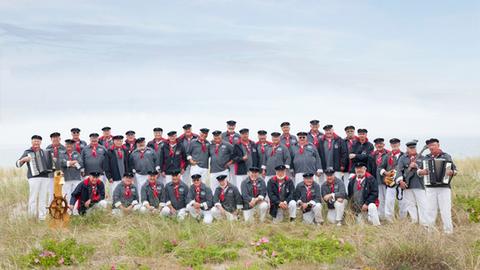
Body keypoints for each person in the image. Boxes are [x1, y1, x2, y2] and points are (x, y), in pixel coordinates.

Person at [417, 138, 457, 234]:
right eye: (429, 146)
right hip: (430, 188)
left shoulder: (446, 156)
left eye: (433, 145)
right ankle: (431, 232)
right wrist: (421, 172)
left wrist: (452, 172)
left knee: (445, 211)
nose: (431, 147)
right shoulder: (426, 157)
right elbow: (419, 171)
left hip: (444, 187)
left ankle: (448, 232)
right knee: (430, 210)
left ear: (438, 145)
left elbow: (455, 170)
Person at [16, 135, 51, 220]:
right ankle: (32, 217)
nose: (36, 142)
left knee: (43, 197)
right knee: (33, 197)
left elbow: (50, 164)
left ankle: (42, 217)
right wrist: (23, 160)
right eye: (35, 141)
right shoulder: (28, 152)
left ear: (40, 142)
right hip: (34, 177)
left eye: (38, 141)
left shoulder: (44, 152)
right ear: (32, 142)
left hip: (45, 177)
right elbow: (17, 164)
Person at [395, 140, 428, 225]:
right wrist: (400, 181)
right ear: (407, 148)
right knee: (410, 204)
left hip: (418, 184)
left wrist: (416, 166)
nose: (412, 149)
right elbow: (399, 170)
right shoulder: (403, 158)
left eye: (414, 148)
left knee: (422, 204)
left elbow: (426, 171)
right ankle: (414, 221)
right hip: (407, 184)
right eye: (410, 148)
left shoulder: (422, 158)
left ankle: (424, 223)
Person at [378, 138, 404, 222]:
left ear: (399, 144)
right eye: (392, 143)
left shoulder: (404, 155)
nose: (394, 145)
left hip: (401, 182)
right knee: (389, 201)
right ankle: (389, 220)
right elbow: (380, 167)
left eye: (396, 143)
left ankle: (402, 219)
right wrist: (386, 173)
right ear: (390, 145)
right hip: (390, 181)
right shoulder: (387, 156)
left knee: (402, 202)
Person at [60, 139, 82, 212]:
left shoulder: (77, 154)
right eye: (67, 144)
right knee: (66, 195)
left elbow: (80, 165)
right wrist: (73, 162)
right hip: (66, 178)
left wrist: (68, 164)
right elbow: (61, 163)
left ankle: (75, 211)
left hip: (76, 178)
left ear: (73, 146)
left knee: (76, 195)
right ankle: (67, 211)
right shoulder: (62, 154)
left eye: (71, 144)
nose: (69, 146)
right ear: (65, 145)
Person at [371, 138, 390, 220]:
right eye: (377, 144)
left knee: (388, 198)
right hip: (376, 179)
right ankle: (381, 216)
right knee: (380, 199)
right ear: (375, 145)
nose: (379, 145)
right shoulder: (372, 154)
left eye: (381, 143)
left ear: (384, 144)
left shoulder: (389, 153)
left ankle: (388, 215)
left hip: (386, 179)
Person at [106, 135, 129, 200]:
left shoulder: (125, 150)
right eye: (117, 140)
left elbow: (128, 163)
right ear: (113, 141)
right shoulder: (110, 151)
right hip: (114, 176)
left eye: (120, 140)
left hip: (124, 176)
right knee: (114, 192)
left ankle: (123, 206)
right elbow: (106, 165)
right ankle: (115, 207)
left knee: (124, 192)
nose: (119, 142)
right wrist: (109, 176)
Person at [46, 132, 66, 201]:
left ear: (60, 138)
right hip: (51, 174)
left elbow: (66, 160)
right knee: (51, 192)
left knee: (61, 191)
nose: (55, 139)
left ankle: (61, 209)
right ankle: (51, 210)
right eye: (53, 137)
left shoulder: (64, 148)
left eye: (57, 137)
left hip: (61, 173)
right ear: (51, 139)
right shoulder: (48, 148)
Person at [343, 125, 358, 194]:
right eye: (348, 131)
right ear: (346, 132)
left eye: (351, 131)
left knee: (356, 185)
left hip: (357, 167)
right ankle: (348, 200)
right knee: (347, 185)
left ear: (354, 131)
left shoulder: (359, 141)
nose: (350, 132)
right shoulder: (343, 141)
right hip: (346, 167)